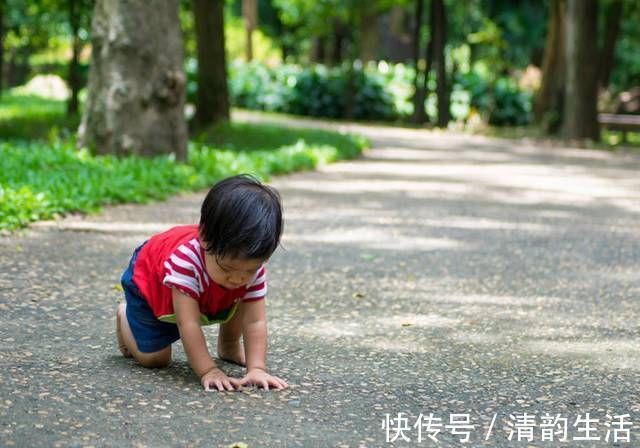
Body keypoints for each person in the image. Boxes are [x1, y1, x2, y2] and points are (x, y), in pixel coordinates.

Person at [116, 174, 288, 392]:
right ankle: (125, 316)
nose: (238, 278)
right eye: (227, 268)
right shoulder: (185, 263)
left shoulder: (248, 268)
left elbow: (254, 321)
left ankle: (228, 346)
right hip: (149, 281)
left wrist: (257, 369)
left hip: (198, 283)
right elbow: (188, 324)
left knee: (239, 296)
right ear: (205, 238)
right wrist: (208, 370)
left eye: (250, 270)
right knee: (155, 359)